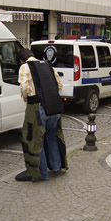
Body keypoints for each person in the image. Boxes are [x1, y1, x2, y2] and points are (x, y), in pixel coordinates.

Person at [15, 48, 68, 182]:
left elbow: (24, 87)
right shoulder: (47, 65)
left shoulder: (25, 67)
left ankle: (40, 173)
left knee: (35, 140)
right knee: (52, 137)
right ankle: (56, 167)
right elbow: (59, 85)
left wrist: (25, 97)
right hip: (54, 107)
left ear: (21, 60)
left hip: (37, 107)